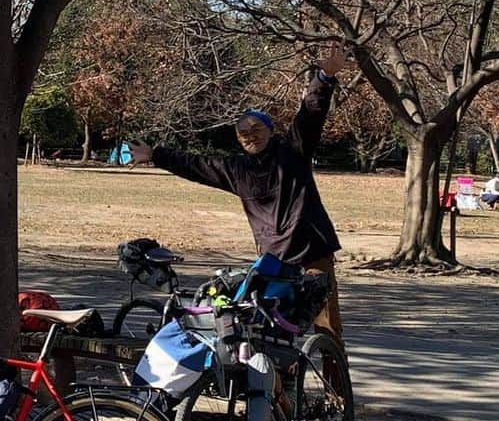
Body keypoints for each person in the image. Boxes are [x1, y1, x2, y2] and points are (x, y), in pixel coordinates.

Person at [130, 48, 349, 350]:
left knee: (326, 330)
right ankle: (283, 393)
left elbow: (311, 113)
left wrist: (324, 77)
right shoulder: (236, 169)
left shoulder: (293, 150)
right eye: (243, 133)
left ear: (271, 131)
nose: (250, 136)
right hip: (274, 262)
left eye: (257, 129)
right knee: (273, 333)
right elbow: (196, 165)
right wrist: (156, 155)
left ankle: (338, 394)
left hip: (313, 253)